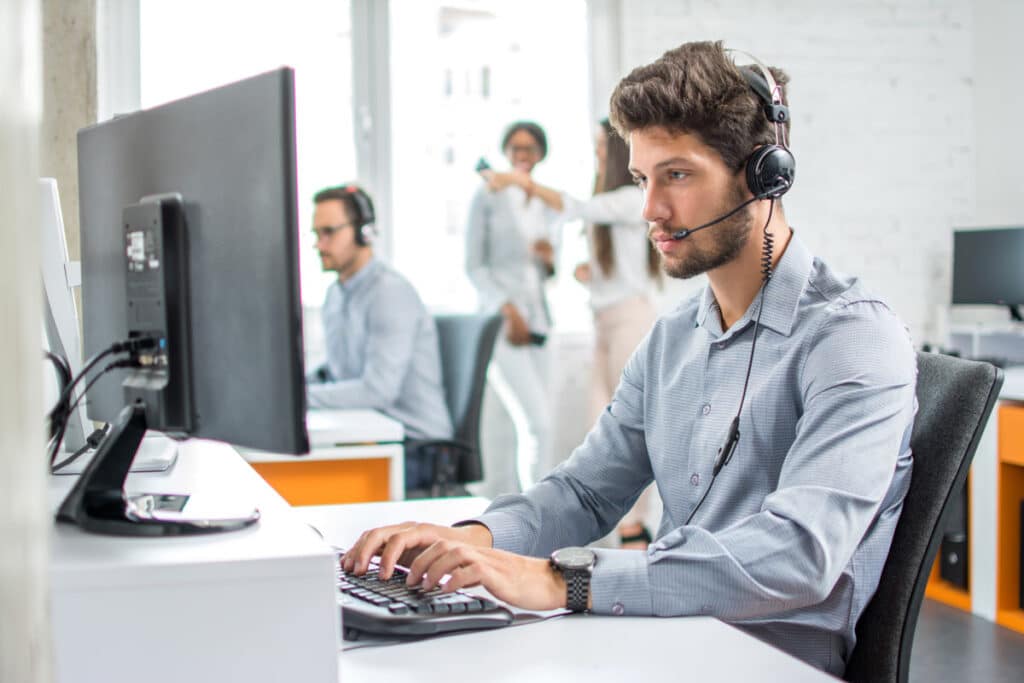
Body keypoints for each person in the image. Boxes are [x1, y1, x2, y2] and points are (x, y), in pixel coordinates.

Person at [342, 42, 916, 677]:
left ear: (764, 175)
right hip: (659, 643)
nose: (649, 211)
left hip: (764, 664)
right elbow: (586, 492)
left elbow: (799, 556)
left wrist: (567, 580)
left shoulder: (851, 337)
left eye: (677, 175)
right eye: (642, 180)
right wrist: (470, 539)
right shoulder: (673, 338)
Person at [487, 120, 663, 548]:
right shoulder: (613, 202)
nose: (598, 156)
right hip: (604, 322)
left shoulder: (631, 197)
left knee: (636, 431)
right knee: (601, 430)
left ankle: (637, 530)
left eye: (602, 148)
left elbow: (575, 207)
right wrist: (591, 275)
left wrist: (516, 182)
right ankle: (617, 531)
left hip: (630, 322)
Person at [305, 184, 453, 491]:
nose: (320, 244)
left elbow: (377, 391)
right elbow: (336, 372)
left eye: (329, 232)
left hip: (417, 448)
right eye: (316, 234)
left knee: (315, 490)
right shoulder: (336, 294)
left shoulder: (389, 293)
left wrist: (297, 401)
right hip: (369, 434)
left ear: (364, 233)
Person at [465, 121, 561, 494]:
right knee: (535, 424)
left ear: (540, 155)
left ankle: (529, 510)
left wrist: (549, 260)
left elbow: (548, 274)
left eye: (530, 149)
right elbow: (474, 266)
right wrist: (506, 309)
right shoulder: (487, 196)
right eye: (516, 149)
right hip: (502, 323)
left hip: (542, 323)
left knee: (541, 425)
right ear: (506, 152)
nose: (522, 156)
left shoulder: (544, 202)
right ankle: (536, 516)